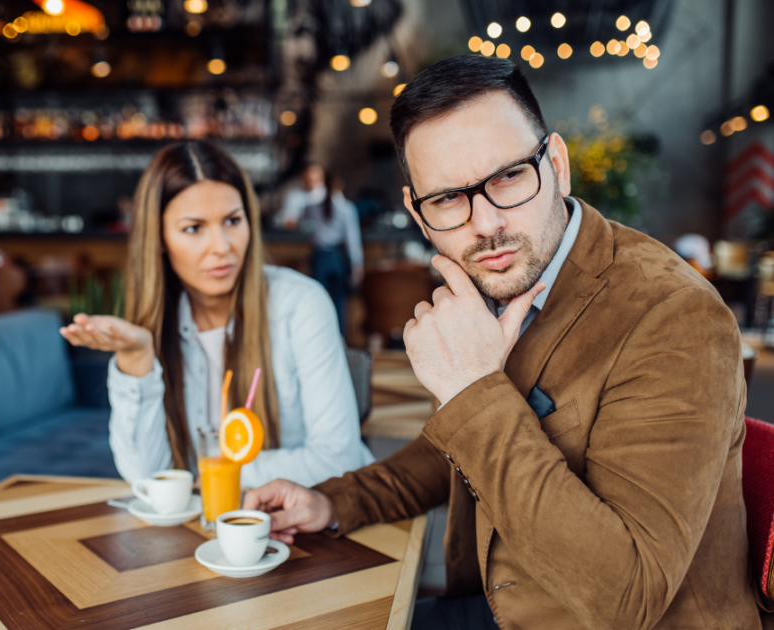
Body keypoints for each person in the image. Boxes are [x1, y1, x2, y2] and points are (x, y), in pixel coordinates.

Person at [244, 55, 759, 630]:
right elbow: (456, 449)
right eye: (447, 199)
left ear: (557, 165)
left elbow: (628, 596)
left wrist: (474, 386)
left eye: (509, 176)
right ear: (418, 212)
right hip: (496, 604)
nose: (485, 223)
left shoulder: (673, 315)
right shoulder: (502, 281)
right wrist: (335, 502)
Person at [60, 141, 373, 489]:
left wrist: (206, 475)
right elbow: (146, 476)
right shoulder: (156, 323)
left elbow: (337, 460)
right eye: (194, 228)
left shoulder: (300, 304)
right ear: (159, 238)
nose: (222, 247)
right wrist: (136, 358)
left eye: (232, 221)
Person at [277, 165, 364, 336]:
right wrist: (357, 266)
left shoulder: (311, 207)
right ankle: (340, 340)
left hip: (319, 258)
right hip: (338, 259)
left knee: (319, 302)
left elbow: (302, 227)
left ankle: (321, 337)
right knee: (340, 303)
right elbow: (353, 241)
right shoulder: (346, 208)